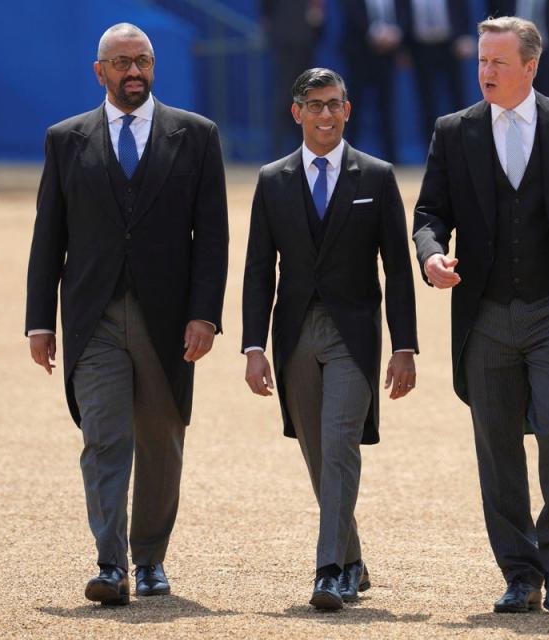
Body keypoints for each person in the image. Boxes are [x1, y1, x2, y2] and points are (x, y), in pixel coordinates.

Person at [412, 16, 549, 614]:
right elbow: (429, 213)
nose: (485, 72)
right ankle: (519, 571)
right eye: (481, 61)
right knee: (496, 443)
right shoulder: (454, 131)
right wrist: (432, 257)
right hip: (483, 313)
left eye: (498, 63)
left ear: (530, 67)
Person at [25, 23, 228, 606]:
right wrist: (40, 321)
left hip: (169, 320)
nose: (133, 71)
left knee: (162, 440)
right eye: (121, 63)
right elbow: (48, 237)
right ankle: (110, 563)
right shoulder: (65, 139)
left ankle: (151, 559)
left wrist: (205, 315)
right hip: (94, 316)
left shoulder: (196, 135)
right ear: (100, 72)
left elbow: (211, 237)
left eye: (142, 61)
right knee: (104, 439)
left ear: (154, 66)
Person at [241, 68, 418, 610]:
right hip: (293, 337)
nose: (325, 114)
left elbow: (397, 269)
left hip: (354, 337)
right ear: (297, 113)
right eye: (314, 105)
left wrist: (404, 346)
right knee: (320, 455)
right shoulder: (272, 180)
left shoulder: (377, 176)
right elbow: (257, 270)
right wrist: (253, 347)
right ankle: (355, 559)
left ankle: (330, 570)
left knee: (340, 443)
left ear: (349, 109)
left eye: (334, 104)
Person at [400, 0, 475, 150]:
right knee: (426, 103)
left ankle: (463, 149)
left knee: (457, 101)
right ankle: (434, 152)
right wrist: (403, 48)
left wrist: (465, 35)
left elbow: (461, 8)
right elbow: (402, 13)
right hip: (420, 48)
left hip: (450, 47)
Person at [340, 0, 408, 162]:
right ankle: (346, 160)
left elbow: (404, 11)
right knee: (353, 109)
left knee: (387, 108)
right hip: (359, 53)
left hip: (387, 55)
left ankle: (392, 161)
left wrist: (396, 33)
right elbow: (351, 10)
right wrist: (374, 33)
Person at [260, 0, 325, 156]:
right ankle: (279, 152)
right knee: (289, 96)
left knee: (301, 96)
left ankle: (302, 151)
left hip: (302, 39)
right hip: (291, 38)